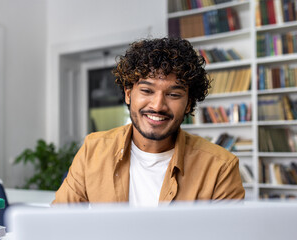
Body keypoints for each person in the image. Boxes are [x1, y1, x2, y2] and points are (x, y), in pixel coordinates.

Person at [52, 37, 245, 206]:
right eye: (146, 91)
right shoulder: (93, 151)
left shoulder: (220, 167)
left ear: (189, 104)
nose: (158, 105)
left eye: (174, 94)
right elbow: (57, 225)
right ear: (128, 94)